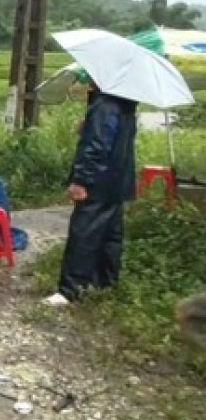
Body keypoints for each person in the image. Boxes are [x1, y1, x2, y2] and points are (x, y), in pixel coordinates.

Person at [45, 78, 138, 307]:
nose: (88, 79)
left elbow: (96, 146)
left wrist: (81, 180)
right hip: (117, 181)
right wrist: (88, 124)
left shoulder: (104, 104)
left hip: (98, 181)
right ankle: (105, 283)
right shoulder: (125, 103)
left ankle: (70, 290)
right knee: (110, 235)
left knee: (83, 234)